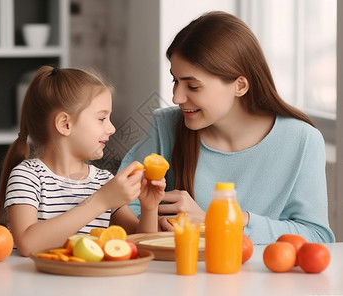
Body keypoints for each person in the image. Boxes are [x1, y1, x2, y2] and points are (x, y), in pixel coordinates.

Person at [119, 11, 335, 244]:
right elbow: (119, 205)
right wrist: (156, 230)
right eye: (175, 81)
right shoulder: (166, 125)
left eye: (192, 86)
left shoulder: (303, 140)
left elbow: (317, 236)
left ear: (240, 85)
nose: (176, 97)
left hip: (265, 279)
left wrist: (214, 222)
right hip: (180, 276)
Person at [0, 66, 166, 256]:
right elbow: (28, 244)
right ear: (65, 124)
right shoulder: (27, 176)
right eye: (102, 118)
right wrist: (101, 201)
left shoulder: (104, 181)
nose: (112, 128)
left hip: (88, 284)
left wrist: (149, 207)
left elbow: (142, 244)